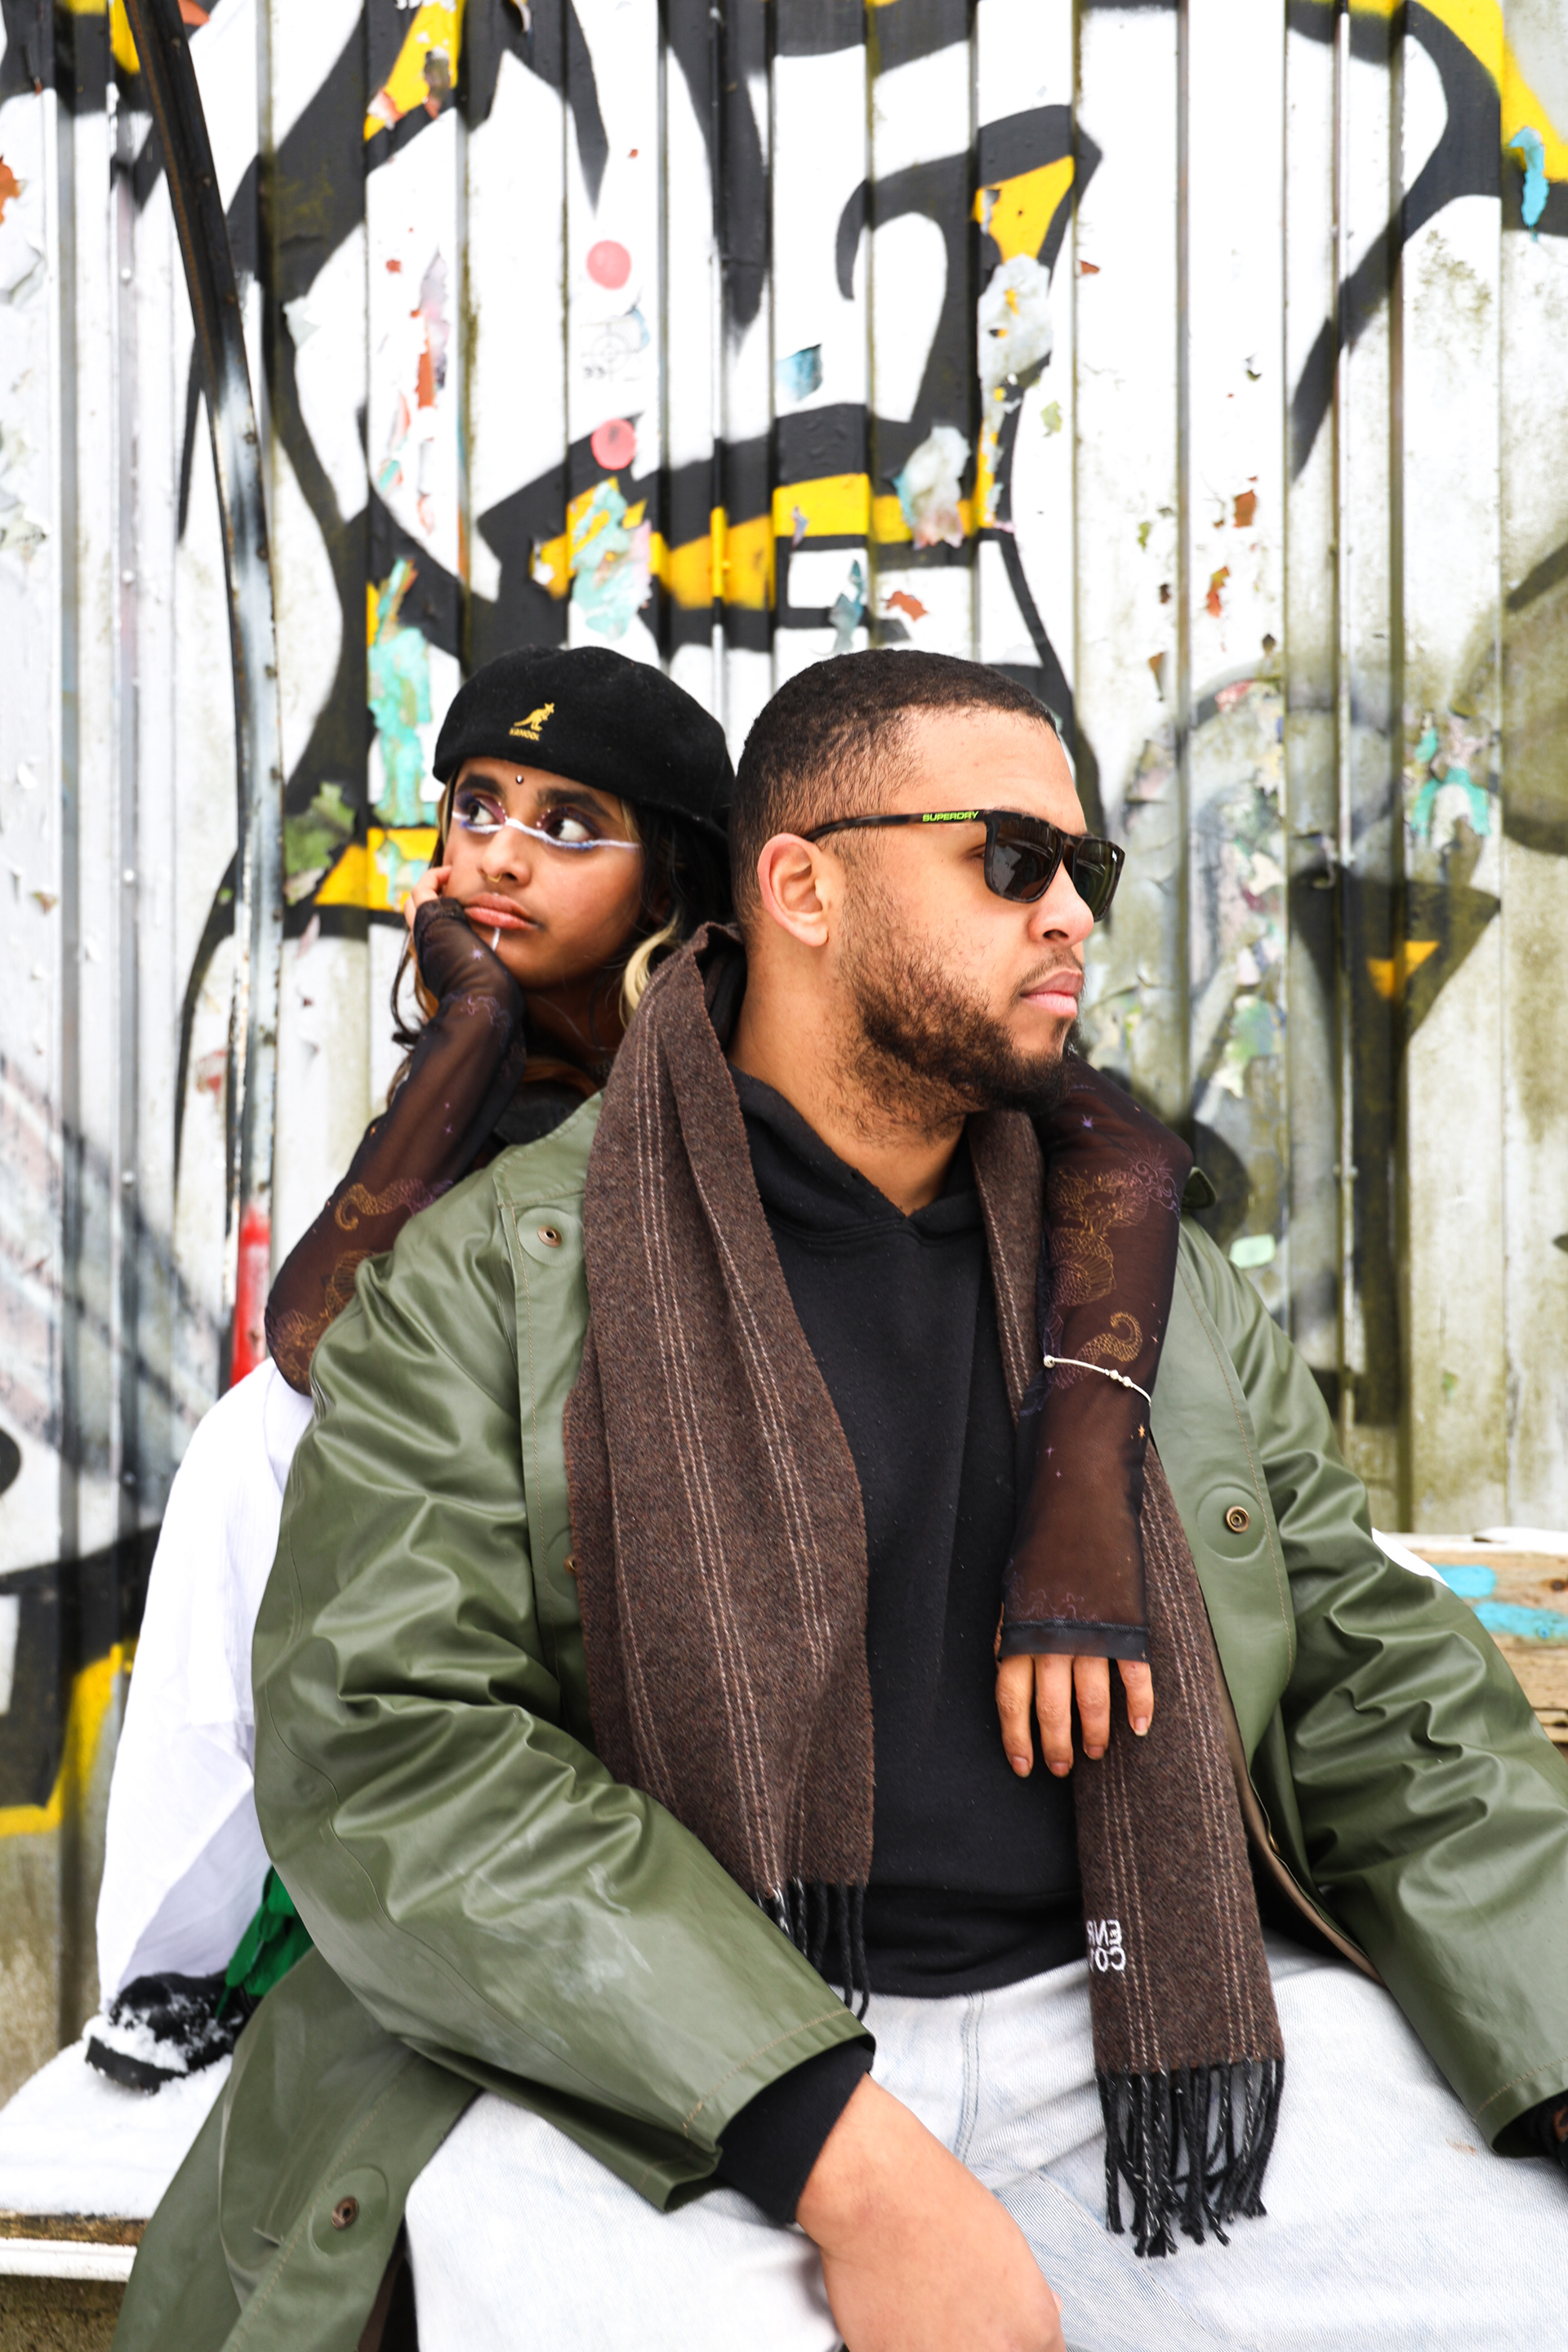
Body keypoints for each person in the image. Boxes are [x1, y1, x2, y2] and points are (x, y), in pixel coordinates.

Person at [115, 651, 1568, 2352]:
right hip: (637, 2059)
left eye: (1085, 871)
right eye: (1011, 861)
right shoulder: (495, 1281)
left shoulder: (1145, 1288)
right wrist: (842, 2156)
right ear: (803, 888)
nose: (1071, 918)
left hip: (1135, 2025)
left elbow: (1373, 1691)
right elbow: (392, 1748)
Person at [91, 644, 733, 2082]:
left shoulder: (722, 1062)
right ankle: (214, 1954)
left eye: (570, 825)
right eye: (477, 806)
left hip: (667, 1523)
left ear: (668, 884)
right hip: (473, 1515)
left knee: (268, 1448)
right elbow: (321, 1351)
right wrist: (474, 1030)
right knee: (257, 1446)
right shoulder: (484, 1053)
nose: (500, 853)